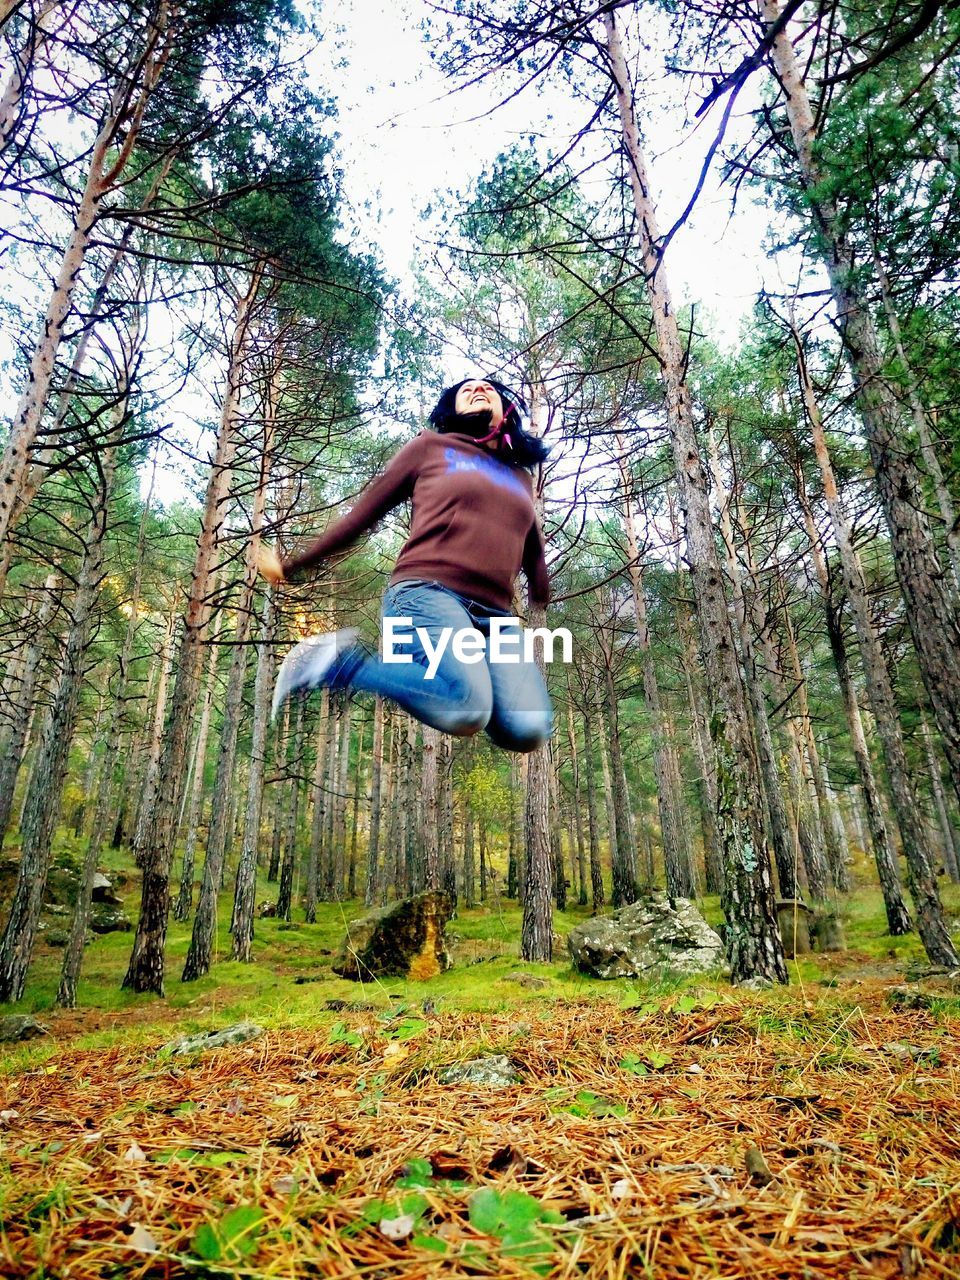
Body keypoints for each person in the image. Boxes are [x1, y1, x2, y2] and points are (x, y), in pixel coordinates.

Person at [257, 377, 554, 753]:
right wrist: (296, 563)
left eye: (488, 389)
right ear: (451, 410)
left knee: (528, 727)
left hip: (494, 618)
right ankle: (330, 663)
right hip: (426, 594)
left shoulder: (519, 478)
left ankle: (469, 697)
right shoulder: (431, 448)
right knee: (467, 707)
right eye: (466, 390)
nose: (478, 389)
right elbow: (362, 515)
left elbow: (532, 546)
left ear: (506, 411)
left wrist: (541, 591)